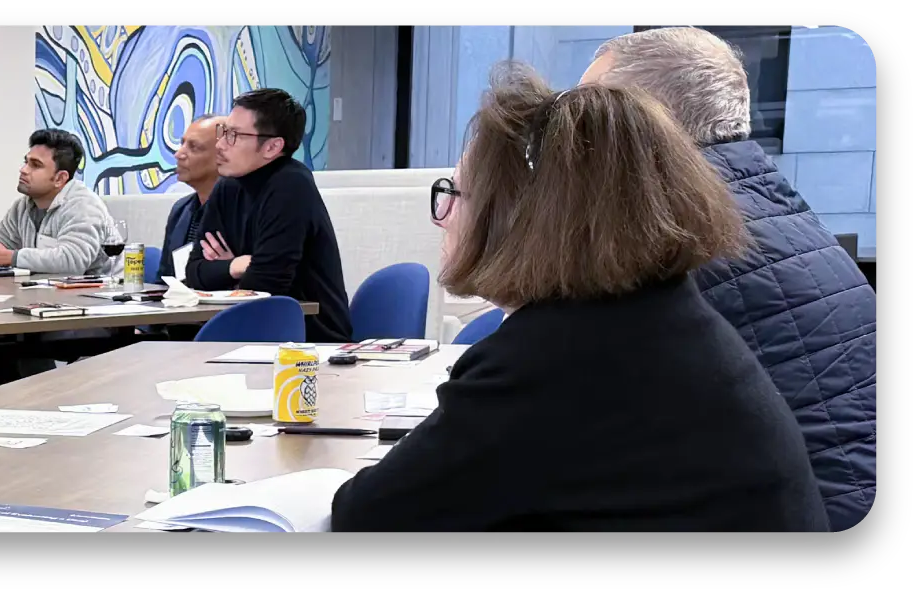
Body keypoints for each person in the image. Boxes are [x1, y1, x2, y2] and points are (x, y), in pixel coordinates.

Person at [329, 63, 827, 532]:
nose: (443, 218)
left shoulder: (554, 357)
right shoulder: (656, 316)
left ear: (516, 218)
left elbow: (369, 513)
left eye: (454, 194)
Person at [582, 27, 876, 531]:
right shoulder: (772, 206)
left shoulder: (674, 235)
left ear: (643, 119)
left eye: (586, 111)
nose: (571, 133)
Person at [183, 89, 353, 343]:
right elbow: (195, 272)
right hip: (247, 334)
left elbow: (265, 286)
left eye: (234, 135)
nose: (220, 144)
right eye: (224, 132)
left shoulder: (291, 185)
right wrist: (238, 265)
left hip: (306, 341)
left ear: (272, 147)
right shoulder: (227, 186)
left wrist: (227, 273)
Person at [0, 128, 121, 275]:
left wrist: (11, 257)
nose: (23, 170)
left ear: (60, 178)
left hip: (102, 294)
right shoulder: (22, 207)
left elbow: (72, 261)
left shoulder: (83, 205)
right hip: (48, 293)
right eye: (26, 162)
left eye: (35, 165)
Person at [157, 115, 243, 281]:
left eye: (194, 147)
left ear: (224, 155)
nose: (178, 154)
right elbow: (163, 280)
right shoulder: (181, 210)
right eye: (182, 144)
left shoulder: (245, 212)